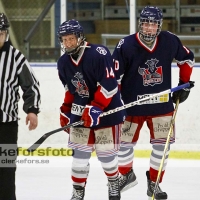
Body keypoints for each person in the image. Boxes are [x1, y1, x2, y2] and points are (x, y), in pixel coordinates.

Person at [112, 6, 194, 200]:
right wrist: (114, 101)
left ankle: (154, 182)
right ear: (140, 24)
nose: (149, 28)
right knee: (123, 144)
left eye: (153, 24)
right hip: (131, 105)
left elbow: (187, 59)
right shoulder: (126, 44)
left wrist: (184, 84)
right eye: (146, 23)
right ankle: (126, 175)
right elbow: (114, 77)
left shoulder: (170, 40)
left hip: (161, 106)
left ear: (159, 25)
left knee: (162, 146)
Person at [57, 19, 126, 200]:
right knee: (79, 157)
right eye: (64, 40)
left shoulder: (98, 53)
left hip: (107, 112)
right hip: (81, 114)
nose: (68, 43)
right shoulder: (63, 62)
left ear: (80, 37)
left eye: (71, 38)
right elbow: (71, 90)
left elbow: (110, 85)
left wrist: (96, 108)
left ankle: (113, 182)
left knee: (106, 157)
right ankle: (78, 191)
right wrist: (66, 109)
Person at [0, 13, 41, 200]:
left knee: (6, 168)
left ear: (6, 34)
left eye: (0, 33)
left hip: (6, 125)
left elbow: (31, 85)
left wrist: (32, 110)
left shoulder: (16, 58)